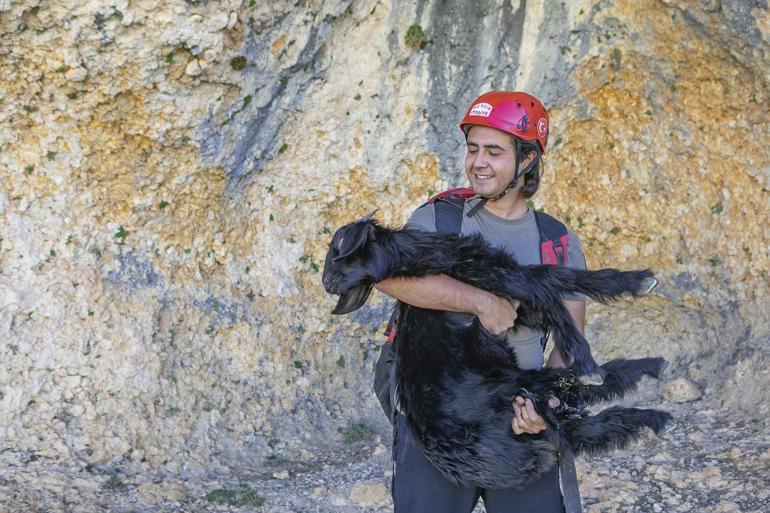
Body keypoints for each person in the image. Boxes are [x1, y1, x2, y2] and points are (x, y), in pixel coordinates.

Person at [374, 91, 587, 513]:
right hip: (436, 413)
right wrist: (479, 301)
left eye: (494, 151)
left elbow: (571, 344)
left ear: (526, 160)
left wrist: (551, 402)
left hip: (518, 418)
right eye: (473, 149)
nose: (478, 163)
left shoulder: (555, 242)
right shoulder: (440, 220)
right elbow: (386, 275)